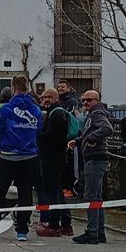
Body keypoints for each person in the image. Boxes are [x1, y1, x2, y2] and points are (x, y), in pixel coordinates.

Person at [0, 76, 42, 242]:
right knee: (25, 194)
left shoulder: (6, 109)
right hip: (29, 155)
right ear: (27, 87)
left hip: (8, 155)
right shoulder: (36, 110)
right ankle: (22, 230)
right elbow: (39, 129)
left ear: (13, 88)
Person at [71, 90, 114, 244]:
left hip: (95, 157)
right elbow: (90, 131)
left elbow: (107, 128)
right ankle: (99, 232)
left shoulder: (97, 113)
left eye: (89, 100)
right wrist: (79, 141)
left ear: (97, 100)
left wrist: (91, 138)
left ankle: (92, 232)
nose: (85, 103)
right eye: (83, 100)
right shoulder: (92, 114)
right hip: (95, 157)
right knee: (96, 197)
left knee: (90, 196)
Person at [34, 87, 74, 237]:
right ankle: (66, 224)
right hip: (53, 157)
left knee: (52, 192)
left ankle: (54, 224)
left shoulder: (57, 114)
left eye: (49, 97)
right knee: (57, 191)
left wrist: (37, 132)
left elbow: (53, 137)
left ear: (56, 98)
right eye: (44, 97)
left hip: (52, 158)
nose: (46, 100)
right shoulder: (53, 113)